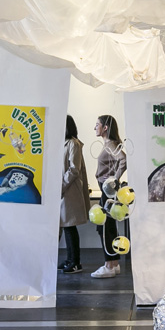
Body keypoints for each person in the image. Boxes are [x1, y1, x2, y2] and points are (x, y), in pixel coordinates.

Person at [91, 114, 127, 278]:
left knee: (104, 227)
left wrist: (114, 179)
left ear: (105, 128)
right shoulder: (108, 144)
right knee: (109, 225)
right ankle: (114, 263)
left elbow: (123, 160)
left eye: (97, 124)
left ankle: (109, 266)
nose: (94, 127)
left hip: (108, 190)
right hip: (107, 190)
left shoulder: (110, 144)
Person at [59, 115, 91, 273]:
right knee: (66, 226)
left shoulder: (73, 143)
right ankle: (70, 259)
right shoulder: (64, 143)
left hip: (69, 190)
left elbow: (74, 169)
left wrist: (61, 186)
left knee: (69, 226)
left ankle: (75, 262)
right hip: (64, 190)